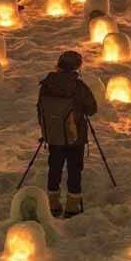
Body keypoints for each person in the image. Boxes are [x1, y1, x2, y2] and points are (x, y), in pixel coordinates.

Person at [37, 50, 97, 219]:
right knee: (74, 169)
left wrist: (47, 128)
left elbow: (40, 109)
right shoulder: (78, 86)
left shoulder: (47, 84)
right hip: (75, 136)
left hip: (54, 135)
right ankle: (72, 205)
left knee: (54, 167)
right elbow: (92, 109)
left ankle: (53, 203)